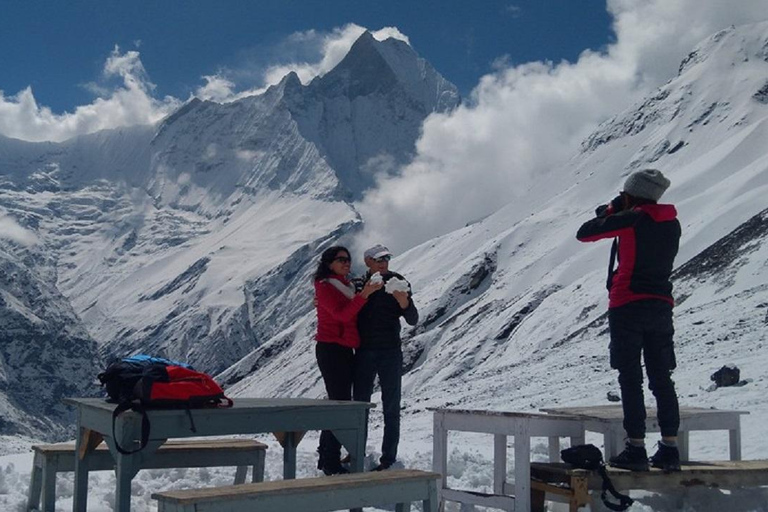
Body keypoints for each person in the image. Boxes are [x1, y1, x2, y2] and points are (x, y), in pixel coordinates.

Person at [576, 168, 682, 473]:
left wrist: (612, 210)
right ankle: (669, 448)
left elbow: (585, 232)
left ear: (632, 194)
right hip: (661, 305)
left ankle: (636, 447)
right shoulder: (671, 223)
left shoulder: (632, 219)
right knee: (662, 378)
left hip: (627, 305)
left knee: (631, 377)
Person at [313, 245, 382, 475]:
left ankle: (326, 455)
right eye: (340, 259)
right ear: (329, 263)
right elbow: (342, 315)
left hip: (343, 348)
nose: (346, 263)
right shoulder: (325, 287)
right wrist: (364, 296)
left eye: (348, 259)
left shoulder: (346, 286)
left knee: (338, 402)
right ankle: (330, 461)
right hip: (331, 348)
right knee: (339, 403)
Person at [353, 244, 418, 471]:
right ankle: (356, 453)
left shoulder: (398, 282)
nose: (384, 263)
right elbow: (349, 313)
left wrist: (403, 301)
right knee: (359, 406)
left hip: (390, 350)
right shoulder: (358, 284)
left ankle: (388, 459)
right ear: (368, 261)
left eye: (387, 258)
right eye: (379, 259)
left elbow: (412, 318)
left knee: (391, 406)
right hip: (363, 351)